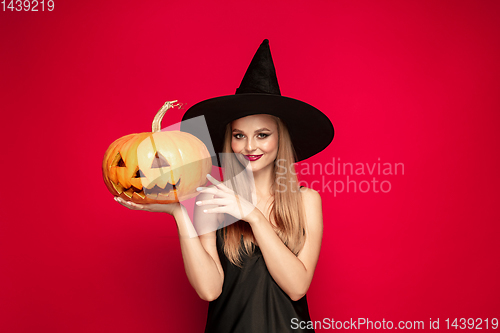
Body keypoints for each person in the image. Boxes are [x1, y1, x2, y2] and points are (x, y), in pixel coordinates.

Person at [115, 39, 334, 332]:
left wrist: (253, 216)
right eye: (239, 135)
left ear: (280, 138)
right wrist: (181, 215)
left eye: (262, 134)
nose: (249, 146)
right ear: (228, 141)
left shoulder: (307, 200)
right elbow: (209, 290)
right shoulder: (213, 200)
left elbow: (297, 287)